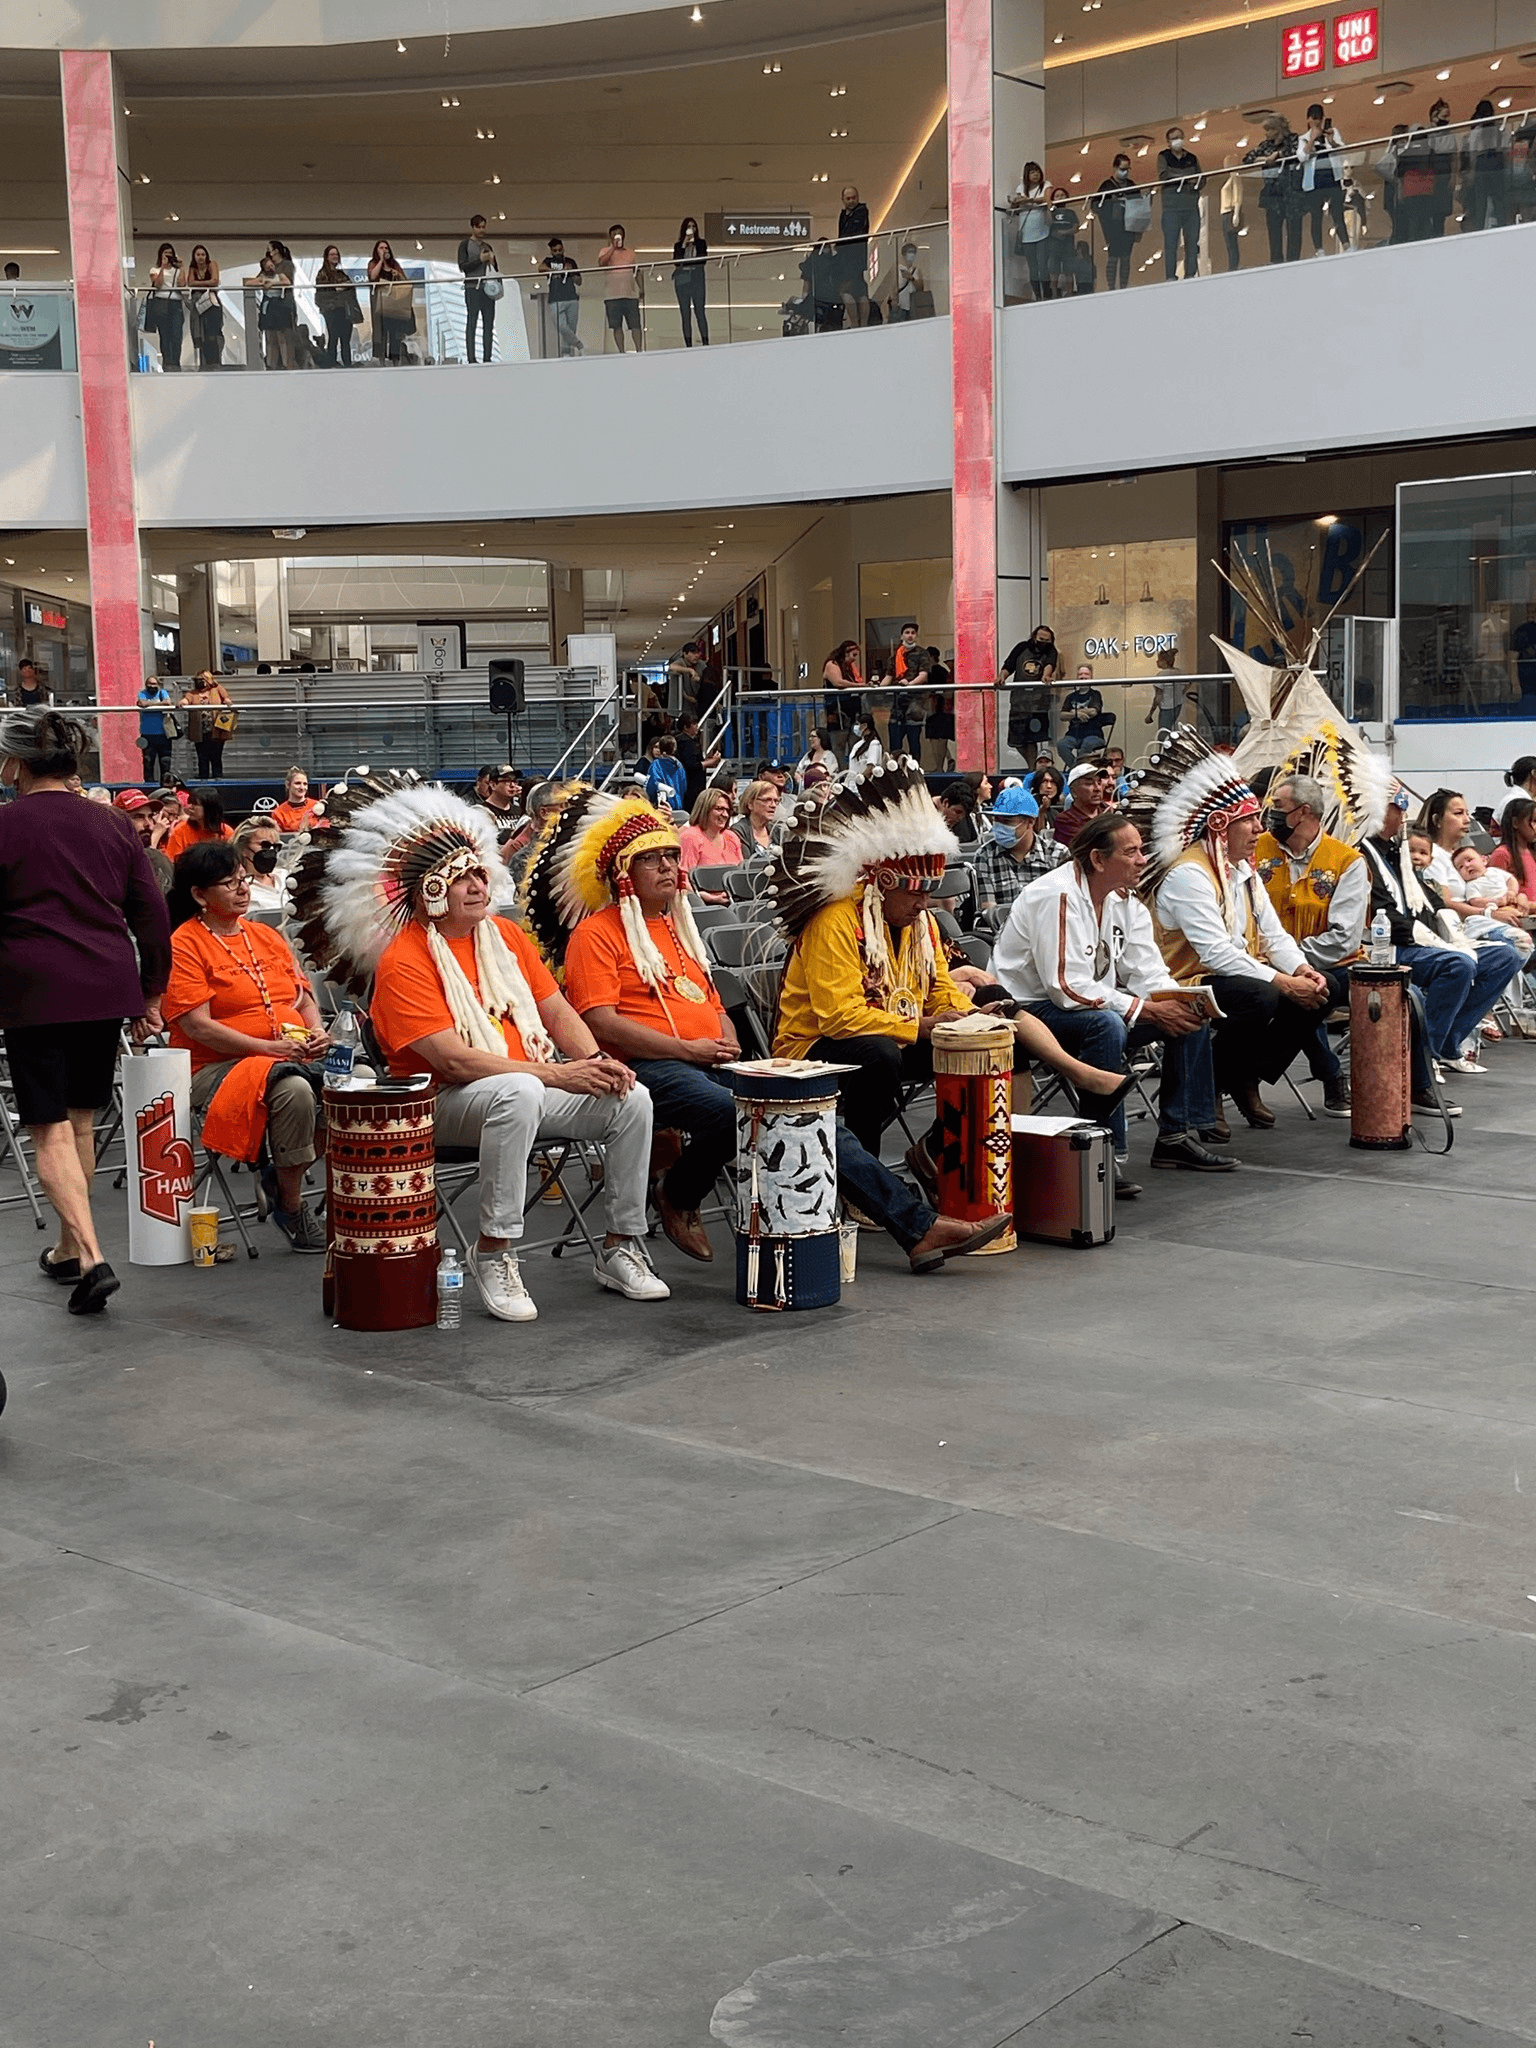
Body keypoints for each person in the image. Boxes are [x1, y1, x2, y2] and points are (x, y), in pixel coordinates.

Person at [532, 785, 1005, 1276]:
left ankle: (913, 1227)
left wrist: (727, 1037)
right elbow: (600, 1022)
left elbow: (712, 1002)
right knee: (740, 1110)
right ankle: (681, 1192)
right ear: (621, 873)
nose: (670, 868)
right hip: (643, 1069)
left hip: (706, 1057)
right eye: (653, 860)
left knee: (799, 1108)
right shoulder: (594, 934)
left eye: (673, 856)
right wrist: (687, 1049)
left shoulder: (678, 928)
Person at [290, 776, 665, 1321]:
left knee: (632, 1097)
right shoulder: (405, 959)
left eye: (478, 874)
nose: (476, 886)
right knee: (518, 1090)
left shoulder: (506, 937)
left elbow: (557, 1011)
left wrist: (595, 1063)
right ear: (429, 892)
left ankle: (620, 1245)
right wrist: (560, 1076)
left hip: (525, 1092)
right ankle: (495, 1251)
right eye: (459, 879)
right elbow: (453, 1061)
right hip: (439, 1103)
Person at [771, 757, 1131, 1191]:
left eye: (931, 892)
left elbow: (940, 988)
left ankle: (939, 1152)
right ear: (884, 882)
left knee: (996, 1040)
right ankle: (860, 1182)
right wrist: (924, 1026)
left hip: (896, 1029)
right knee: (878, 1055)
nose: (925, 903)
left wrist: (972, 1017)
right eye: (916, 891)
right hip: (817, 1047)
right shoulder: (835, 921)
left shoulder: (918, 921)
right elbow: (838, 1018)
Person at [0, 707, 171, 1315]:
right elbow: (151, 914)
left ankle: (93, 1257)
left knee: (47, 1126)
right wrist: (151, 992)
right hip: (105, 984)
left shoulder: (3, 824)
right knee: (79, 1122)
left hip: (31, 988)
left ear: (14, 762)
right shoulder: (114, 826)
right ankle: (69, 1248)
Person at [992, 810, 1233, 1182]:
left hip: (1077, 1001)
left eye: (1142, 851)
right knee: (1104, 1026)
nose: (1142, 860)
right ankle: (1103, 1151)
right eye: (1131, 852)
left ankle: (1176, 1135)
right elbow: (1067, 988)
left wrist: (1172, 1001)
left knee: (1186, 1014)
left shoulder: (1125, 900)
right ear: (1098, 859)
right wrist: (1146, 1010)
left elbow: (1146, 969)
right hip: (1025, 1009)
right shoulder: (1056, 895)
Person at [1132, 731, 1330, 1130]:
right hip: (1185, 980)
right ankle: (1216, 1086)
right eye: (1251, 820)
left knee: (1325, 992)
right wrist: (1283, 981)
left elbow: (1273, 935)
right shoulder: (1189, 873)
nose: (1261, 829)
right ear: (1220, 826)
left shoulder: (1242, 869)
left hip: (1229, 975)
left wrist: (1301, 971)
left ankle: (1242, 1077)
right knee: (1261, 995)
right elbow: (1216, 953)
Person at [163, 841, 328, 1251]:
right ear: (199, 895)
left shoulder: (265, 936)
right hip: (215, 1068)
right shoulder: (184, 944)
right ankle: (291, 1206)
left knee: (355, 1084)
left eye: (243, 878)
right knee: (294, 1090)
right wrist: (266, 1049)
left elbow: (304, 998)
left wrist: (318, 1030)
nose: (243, 888)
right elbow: (198, 1027)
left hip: (285, 1057)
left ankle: (283, 1176)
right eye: (229, 883)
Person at [1361, 794, 1520, 1107]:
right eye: (1398, 806)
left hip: (1426, 940)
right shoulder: (1363, 853)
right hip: (1388, 947)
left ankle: (1447, 1043)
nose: (1404, 812)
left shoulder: (1397, 849)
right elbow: (1381, 912)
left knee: (1506, 955)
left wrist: (1450, 932)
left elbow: (1430, 900)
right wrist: (1435, 940)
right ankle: (1422, 1064)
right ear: (1381, 810)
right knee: (1457, 965)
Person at [1251, 771, 1369, 1117]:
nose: (1269, 815)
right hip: (1261, 963)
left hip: (1336, 964)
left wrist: (1287, 960)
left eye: (1277, 807)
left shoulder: (1346, 861)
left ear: (1302, 812)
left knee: (1316, 988)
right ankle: (1330, 1073)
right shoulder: (1255, 851)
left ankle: (1248, 1073)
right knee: (1305, 995)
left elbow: (1344, 937)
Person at [972, 784, 1066, 917]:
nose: (999, 826)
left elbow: (1065, 906)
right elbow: (989, 911)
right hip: (1003, 931)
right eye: (996, 820)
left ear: (1030, 822)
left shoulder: (1057, 854)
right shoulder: (985, 855)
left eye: (1007, 820)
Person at [1244, 115, 1301, 264]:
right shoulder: (1265, 145)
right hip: (1272, 192)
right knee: (1274, 229)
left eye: (1269, 129)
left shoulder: (1293, 139)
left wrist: (1278, 155)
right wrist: (1264, 159)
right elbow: (1247, 159)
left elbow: (1296, 152)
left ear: (1277, 129)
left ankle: (1293, 260)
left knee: (1293, 229)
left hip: (1291, 191)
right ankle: (1276, 260)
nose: (1266, 133)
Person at [1000, 624, 1059, 764]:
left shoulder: (1051, 651)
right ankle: (1032, 765)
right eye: (1041, 639)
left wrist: (1046, 676)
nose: (1043, 643)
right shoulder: (1021, 647)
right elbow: (1009, 665)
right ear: (1034, 637)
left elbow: (1049, 665)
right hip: (1018, 702)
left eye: (1047, 640)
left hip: (1038, 704)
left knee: (1032, 739)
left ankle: (1033, 768)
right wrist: (1002, 676)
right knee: (1017, 740)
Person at [1298, 105, 1349, 254]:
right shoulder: (1303, 138)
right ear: (1308, 120)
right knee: (1316, 216)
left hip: (1333, 178)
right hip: (1313, 183)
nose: (1317, 122)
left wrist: (1331, 141)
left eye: (1319, 119)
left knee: (1337, 213)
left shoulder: (1332, 132)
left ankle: (1346, 245)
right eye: (1314, 119)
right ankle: (1319, 249)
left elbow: (1342, 149)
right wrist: (1312, 139)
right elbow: (1302, 157)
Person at [1092, 153, 1145, 291]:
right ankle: (1111, 286)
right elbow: (1095, 205)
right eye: (1122, 169)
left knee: (1126, 258)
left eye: (1127, 169)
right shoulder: (1107, 186)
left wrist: (1139, 229)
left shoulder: (1132, 185)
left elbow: (1140, 207)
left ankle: (1123, 286)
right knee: (1113, 257)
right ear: (1115, 168)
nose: (1125, 172)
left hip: (1129, 227)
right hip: (1112, 227)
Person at [679, 787, 743, 900]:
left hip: (735, 899)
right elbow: (682, 880)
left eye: (727, 810)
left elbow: (741, 874)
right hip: (703, 903)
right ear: (705, 809)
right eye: (719, 809)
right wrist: (708, 898)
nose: (725, 814)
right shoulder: (690, 836)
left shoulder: (732, 837)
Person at [1157, 126, 1203, 279]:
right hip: (1171, 207)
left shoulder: (1192, 158)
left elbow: (1201, 178)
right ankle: (1170, 276)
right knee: (1171, 244)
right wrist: (1186, 178)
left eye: (1180, 137)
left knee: (1192, 242)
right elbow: (1165, 175)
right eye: (1174, 138)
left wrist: (1188, 180)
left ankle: (1190, 274)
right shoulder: (1163, 156)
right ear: (1168, 142)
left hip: (1190, 205)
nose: (1178, 140)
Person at [1462, 99, 1509, 233]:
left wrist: (1471, 171)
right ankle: (1501, 226)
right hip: (1497, 164)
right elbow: (1505, 150)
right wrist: (1506, 167)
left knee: (1481, 201)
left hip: (1482, 164)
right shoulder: (1500, 128)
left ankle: (1480, 229)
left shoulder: (1477, 130)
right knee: (1499, 200)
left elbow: (1473, 153)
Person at [114, 789, 174, 893]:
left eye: (150, 816)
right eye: (138, 817)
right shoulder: (112, 856)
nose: (149, 824)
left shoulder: (156, 853)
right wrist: (153, 846)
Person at [457, 212, 498, 363]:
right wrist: (479, 260)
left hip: (487, 288)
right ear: (473, 227)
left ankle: (488, 357)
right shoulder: (465, 245)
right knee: (472, 321)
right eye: (479, 227)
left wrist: (491, 261)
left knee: (488, 324)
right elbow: (463, 266)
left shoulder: (487, 246)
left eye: (483, 227)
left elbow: (495, 268)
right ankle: (471, 358)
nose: (482, 230)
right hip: (472, 287)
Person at [180, 670, 235, 780]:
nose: (199, 682)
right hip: (200, 731)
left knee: (216, 757)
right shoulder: (193, 693)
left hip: (217, 729)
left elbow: (227, 699)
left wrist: (227, 702)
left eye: (202, 680)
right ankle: (203, 780)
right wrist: (182, 703)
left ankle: (218, 780)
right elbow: (185, 700)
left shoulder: (217, 689)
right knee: (202, 758)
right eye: (197, 680)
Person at [1009, 162, 1052, 302]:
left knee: (1042, 265)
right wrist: (1016, 201)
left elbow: (1047, 199)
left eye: (1037, 171)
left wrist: (1029, 200)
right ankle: (1037, 294)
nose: (1035, 174)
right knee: (1032, 267)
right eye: (1032, 172)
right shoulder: (1021, 187)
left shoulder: (1045, 185)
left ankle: (1047, 293)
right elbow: (1017, 202)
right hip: (1026, 231)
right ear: (1027, 175)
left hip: (1042, 230)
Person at [368, 239, 413, 365]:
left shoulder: (394, 264)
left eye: (386, 248)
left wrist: (397, 274)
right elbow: (372, 276)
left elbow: (406, 282)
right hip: (380, 302)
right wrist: (381, 260)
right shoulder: (373, 263)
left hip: (394, 303)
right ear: (376, 250)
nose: (384, 250)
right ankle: (381, 360)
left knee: (395, 333)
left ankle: (395, 360)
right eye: (381, 248)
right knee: (380, 332)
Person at [597, 225, 642, 354]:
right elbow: (601, 263)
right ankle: (621, 351)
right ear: (610, 236)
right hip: (612, 295)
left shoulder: (630, 252)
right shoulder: (605, 251)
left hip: (630, 294)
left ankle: (639, 349)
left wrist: (641, 288)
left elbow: (637, 270)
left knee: (635, 325)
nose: (618, 236)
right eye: (615, 234)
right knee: (616, 326)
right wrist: (613, 248)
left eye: (620, 234)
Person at [314, 245, 361, 368]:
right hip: (331, 310)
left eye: (336, 254)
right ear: (326, 257)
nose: (335, 256)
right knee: (333, 337)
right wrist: (340, 288)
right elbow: (326, 292)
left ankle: (347, 364)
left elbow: (349, 288)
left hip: (344, 309)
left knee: (345, 339)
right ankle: (331, 363)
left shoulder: (341, 273)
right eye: (332, 254)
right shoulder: (322, 274)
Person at [1051, 757, 1114, 848]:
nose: (1097, 789)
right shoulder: (1065, 821)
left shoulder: (1109, 812)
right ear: (1074, 792)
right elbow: (1087, 848)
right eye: (1089, 784)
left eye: (1099, 783)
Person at [1058, 664, 1111, 768]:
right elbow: (1062, 715)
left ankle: (1078, 770)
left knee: (1086, 745)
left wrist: (1072, 712)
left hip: (1094, 735)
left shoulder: (1095, 694)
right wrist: (1076, 714)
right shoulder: (1071, 696)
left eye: (1086, 674)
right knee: (1061, 745)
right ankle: (1077, 769)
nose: (1083, 677)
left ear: (1091, 677)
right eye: (1080, 674)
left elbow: (1093, 712)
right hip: (1073, 735)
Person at [162, 788, 233, 864]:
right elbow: (170, 863)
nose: (190, 807)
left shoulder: (226, 832)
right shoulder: (180, 831)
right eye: (191, 803)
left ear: (209, 808)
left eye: (195, 804)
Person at [232, 815, 286, 915]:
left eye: (275, 847)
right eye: (265, 846)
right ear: (243, 848)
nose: (271, 851)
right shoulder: (238, 887)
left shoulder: (285, 876)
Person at [540, 237, 582, 358]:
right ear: (551, 251)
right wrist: (555, 271)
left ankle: (566, 352)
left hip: (571, 297)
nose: (558, 252)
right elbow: (540, 268)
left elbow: (579, 281)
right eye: (555, 251)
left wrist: (571, 272)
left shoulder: (570, 261)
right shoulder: (548, 261)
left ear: (563, 248)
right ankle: (579, 345)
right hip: (555, 299)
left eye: (560, 250)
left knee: (571, 327)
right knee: (561, 326)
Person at [822, 641, 864, 761]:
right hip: (837, 709)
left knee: (854, 743)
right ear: (846, 653)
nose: (854, 659)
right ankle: (840, 772)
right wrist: (859, 686)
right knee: (838, 744)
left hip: (851, 709)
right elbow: (838, 682)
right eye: (853, 655)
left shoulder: (849, 667)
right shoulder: (832, 664)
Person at [1490, 795, 1536, 903]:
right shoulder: (1502, 854)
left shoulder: (1532, 852)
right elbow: (1496, 895)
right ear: (1515, 823)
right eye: (1534, 821)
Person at [835, 184, 869, 328]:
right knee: (857, 289)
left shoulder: (861, 211)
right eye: (848, 198)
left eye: (853, 198)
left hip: (855, 256)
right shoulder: (844, 214)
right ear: (843, 199)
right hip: (847, 258)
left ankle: (857, 323)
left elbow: (855, 233)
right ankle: (860, 323)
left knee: (847, 290)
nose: (851, 201)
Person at [184, 245, 223, 368]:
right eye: (198, 255)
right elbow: (190, 283)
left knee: (213, 333)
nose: (200, 257)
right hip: (198, 303)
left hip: (211, 302)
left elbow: (215, 281)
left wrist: (198, 284)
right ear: (194, 257)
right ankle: (204, 363)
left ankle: (215, 362)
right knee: (200, 333)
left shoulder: (212, 264)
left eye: (203, 254)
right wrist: (206, 284)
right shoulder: (193, 268)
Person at [672, 217, 709, 346]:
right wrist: (684, 245)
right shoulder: (678, 245)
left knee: (700, 311)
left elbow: (703, 260)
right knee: (685, 313)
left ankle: (705, 341)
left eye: (693, 227)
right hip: (682, 280)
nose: (691, 229)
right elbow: (676, 261)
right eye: (688, 227)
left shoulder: (701, 243)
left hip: (697, 279)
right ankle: (688, 344)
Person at [147, 241, 184, 370]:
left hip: (175, 303)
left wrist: (181, 267)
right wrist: (163, 267)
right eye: (165, 254)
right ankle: (167, 362)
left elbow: (182, 285)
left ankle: (176, 362)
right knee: (165, 335)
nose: (168, 256)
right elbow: (157, 284)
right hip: (161, 303)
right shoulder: (155, 270)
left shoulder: (177, 270)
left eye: (170, 254)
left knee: (176, 334)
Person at [136, 674, 178, 783]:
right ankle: (149, 785)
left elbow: (167, 702)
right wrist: (159, 704)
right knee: (148, 761)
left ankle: (165, 784)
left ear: (158, 685)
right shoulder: (142, 693)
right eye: (149, 684)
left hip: (163, 734)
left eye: (154, 684)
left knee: (165, 761)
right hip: (147, 734)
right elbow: (142, 703)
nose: (152, 686)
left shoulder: (162, 692)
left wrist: (150, 705)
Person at [674, 715, 720, 808]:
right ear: (685, 727)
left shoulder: (690, 741)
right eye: (693, 724)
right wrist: (710, 762)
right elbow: (691, 765)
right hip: (691, 785)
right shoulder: (685, 742)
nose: (697, 727)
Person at [1045, 187, 1081, 297]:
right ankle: (1054, 294)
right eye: (1057, 196)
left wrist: (1063, 232)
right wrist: (1049, 207)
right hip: (1054, 245)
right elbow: (1047, 224)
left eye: (1062, 195)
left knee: (1068, 270)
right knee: (1053, 271)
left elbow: (1076, 228)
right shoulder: (1051, 213)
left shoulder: (1071, 212)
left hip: (1068, 245)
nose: (1060, 197)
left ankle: (1069, 292)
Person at [272, 766, 324, 834]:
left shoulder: (317, 806)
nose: (302, 787)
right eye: (297, 783)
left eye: (305, 784)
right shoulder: (279, 813)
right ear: (288, 785)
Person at [738, 777, 783, 855]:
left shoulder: (775, 830)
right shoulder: (739, 832)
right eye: (767, 800)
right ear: (750, 804)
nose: (773, 805)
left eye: (776, 801)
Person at [645, 735, 688, 812]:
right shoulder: (679, 766)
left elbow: (651, 785)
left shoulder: (656, 764)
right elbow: (684, 787)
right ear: (674, 749)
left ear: (660, 748)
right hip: (678, 805)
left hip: (661, 807)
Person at [921, 687, 956, 774]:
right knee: (933, 739)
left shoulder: (947, 678)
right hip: (933, 711)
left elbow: (949, 694)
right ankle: (943, 763)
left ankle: (940, 766)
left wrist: (937, 692)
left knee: (941, 740)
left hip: (945, 711)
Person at [478, 764, 520, 830]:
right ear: (493, 785)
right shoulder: (481, 812)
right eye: (507, 781)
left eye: (514, 781)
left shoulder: (519, 811)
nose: (512, 785)